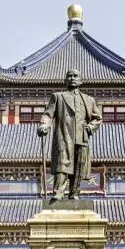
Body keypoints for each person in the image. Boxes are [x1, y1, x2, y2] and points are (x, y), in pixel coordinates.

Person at [37, 69, 102, 200]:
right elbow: (48, 114)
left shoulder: (89, 100)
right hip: (64, 134)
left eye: (75, 76)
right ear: (65, 80)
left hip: (81, 136)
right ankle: (59, 192)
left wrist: (90, 128)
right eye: (69, 76)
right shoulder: (58, 97)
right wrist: (44, 125)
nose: (72, 78)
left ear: (80, 81)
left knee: (79, 165)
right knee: (62, 163)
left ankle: (74, 193)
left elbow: (97, 118)